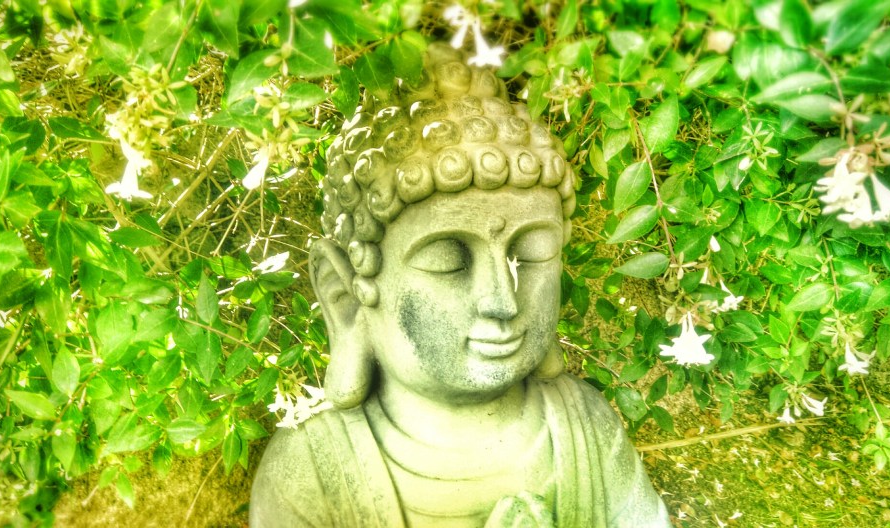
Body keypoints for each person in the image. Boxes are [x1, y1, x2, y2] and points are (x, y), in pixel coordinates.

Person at [250, 43, 671, 528]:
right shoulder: (311, 472)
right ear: (346, 297)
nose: (502, 300)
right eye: (448, 260)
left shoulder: (587, 431)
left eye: (531, 254)